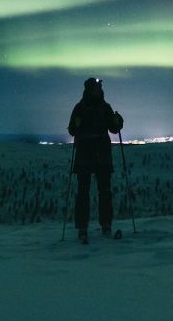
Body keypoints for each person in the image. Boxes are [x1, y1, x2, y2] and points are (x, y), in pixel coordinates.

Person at [67, 77, 124, 243]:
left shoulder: (93, 107)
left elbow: (113, 128)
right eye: (97, 87)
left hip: (93, 155)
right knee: (88, 192)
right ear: (91, 89)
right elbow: (72, 129)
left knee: (100, 192)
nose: (99, 89)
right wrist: (116, 123)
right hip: (94, 154)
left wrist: (117, 122)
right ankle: (86, 227)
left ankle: (102, 225)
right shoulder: (89, 108)